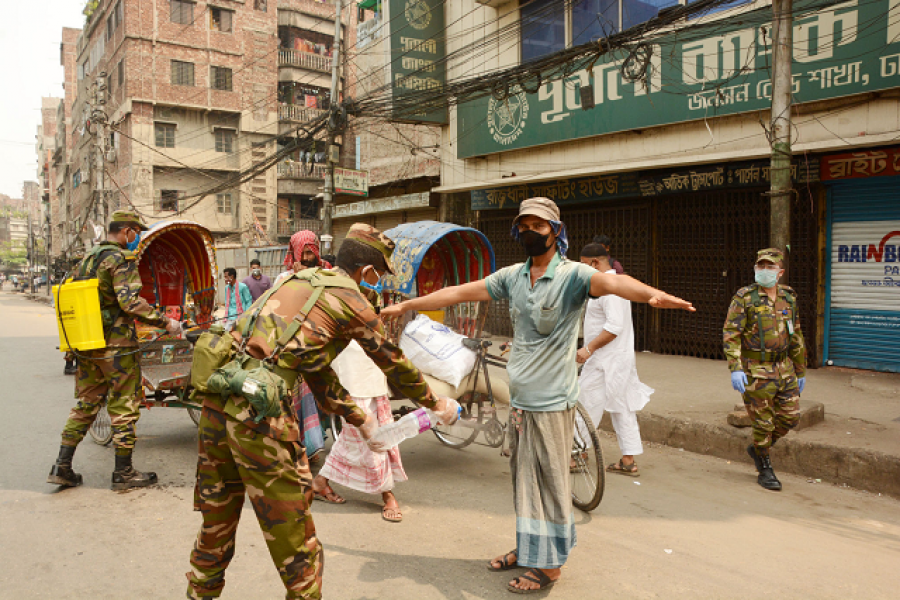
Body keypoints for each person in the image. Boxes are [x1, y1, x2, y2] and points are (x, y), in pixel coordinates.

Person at [381, 197, 694, 593]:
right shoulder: (513, 277)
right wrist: (408, 305)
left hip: (551, 401)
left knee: (549, 484)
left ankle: (549, 566)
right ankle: (529, 548)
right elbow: (460, 293)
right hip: (520, 399)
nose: (531, 231)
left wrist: (651, 294)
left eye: (539, 225)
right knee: (524, 482)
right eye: (524, 225)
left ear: (556, 231)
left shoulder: (574, 275)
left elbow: (614, 282)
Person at [186, 223, 459, 600]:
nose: (376, 283)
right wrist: (434, 403)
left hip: (217, 407)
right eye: (378, 275)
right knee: (298, 546)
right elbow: (392, 361)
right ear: (367, 272)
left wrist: (359, 418)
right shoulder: (352, 300)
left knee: (215, 529)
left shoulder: (294, 282)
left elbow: (310, 364)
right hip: (260, 420)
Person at [47, 210, 183, 491]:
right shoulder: (120, 258)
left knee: (86, 405)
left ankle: (61, 466)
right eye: (136, 233)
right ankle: (123, 473)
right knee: (124, 405)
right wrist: (166, 322)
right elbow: (130, 302)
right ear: (128, 231)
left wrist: (73, 347)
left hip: (87, 344)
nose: (136, 239)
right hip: (117, 348)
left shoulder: (85, 261)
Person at [723, 248, 807, 492]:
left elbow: (796, 334)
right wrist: (736, 368)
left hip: (784, 367)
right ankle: (765, 464)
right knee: (763, 423)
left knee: (791, 417)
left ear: (780, 272)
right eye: (761, 266)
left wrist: (800, 369)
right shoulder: (745, 297)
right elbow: (731, 334)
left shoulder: (789, 297)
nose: (764, 271)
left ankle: (758, 448)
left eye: (770, 267)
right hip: (755, 369)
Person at [576, 243, 653, 477]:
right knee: (622, 408)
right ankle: (628, 460)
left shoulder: (608, 288)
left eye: (583, 266)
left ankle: (577, 453)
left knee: (583, 402)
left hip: (604, 359)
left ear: (594, 263)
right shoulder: (610, 285)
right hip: (617, 359)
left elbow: (613, 326)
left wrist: (587, 349)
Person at [312, 340, 406, 522]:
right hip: (351, 370)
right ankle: (386, 492)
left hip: (373, 368)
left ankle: (321, 481)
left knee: (356, 437)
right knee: (372, 437)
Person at [277, 230, 333, 462]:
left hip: (323, 342)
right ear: (296, 252)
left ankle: (316, 440)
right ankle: (306, 447)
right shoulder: (285, 277)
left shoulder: (328, 272)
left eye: (312, 251)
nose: (309, 256)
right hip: (294, 345)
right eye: (304, 252)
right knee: (299, 397)